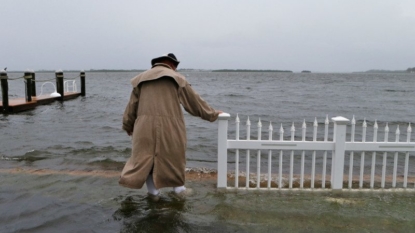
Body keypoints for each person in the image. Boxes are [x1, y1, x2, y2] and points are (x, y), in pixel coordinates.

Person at [119, 53, 222, 200]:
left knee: (146, 161)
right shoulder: (177, 78)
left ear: (156, 64)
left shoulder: (140, 79)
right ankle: (179, 191)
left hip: (143, 128)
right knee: (174, 159)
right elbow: (195, 104)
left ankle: (153, 195)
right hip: (171, 127)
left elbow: (131, 107)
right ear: (172, 64)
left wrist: (128, 126)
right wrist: (213, 114)